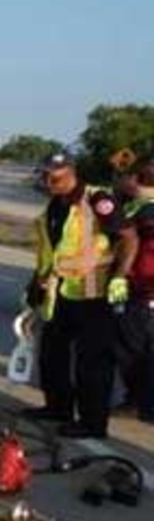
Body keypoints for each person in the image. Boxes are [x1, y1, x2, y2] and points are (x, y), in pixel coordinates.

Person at [22, 153, 138, 438]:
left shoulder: (97, 200)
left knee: (92, 363)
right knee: (51, 355)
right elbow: (52, 251)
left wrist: (120, 276)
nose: (49, 182)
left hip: (94, 294)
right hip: (59, 292)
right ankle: (58, 408)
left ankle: (92, 423)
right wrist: (35, 284)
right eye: (45, 177)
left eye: (56, 177)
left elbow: (129, 237)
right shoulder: (55, 204)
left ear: (72, 172)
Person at [114, 159, 154, 423]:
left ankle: (140, 403)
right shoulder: (137, 207)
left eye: (127, 175)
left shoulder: (146, 212)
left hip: (143, 290)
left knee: (133, 348)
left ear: (135, 180)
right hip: (139, 288)